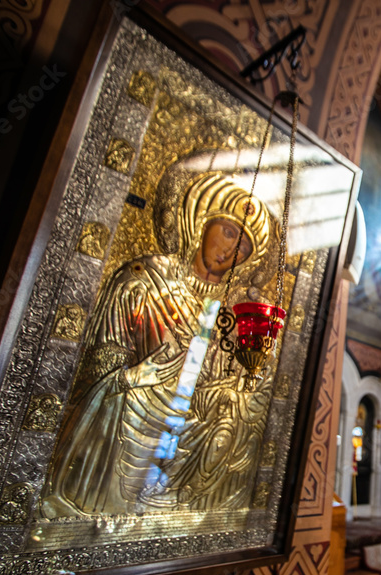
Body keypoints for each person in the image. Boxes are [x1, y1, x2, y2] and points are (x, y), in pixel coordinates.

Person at [41, 168, 276, 518]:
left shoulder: (232, 317)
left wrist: (234, 392)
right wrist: (135, 378)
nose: (230, 250)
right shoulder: (142, 281)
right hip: (124, 438)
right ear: (201, 221)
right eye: (228, 232)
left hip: (186, 449)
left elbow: (227, 393)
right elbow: (92, 377)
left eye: (242, 247)